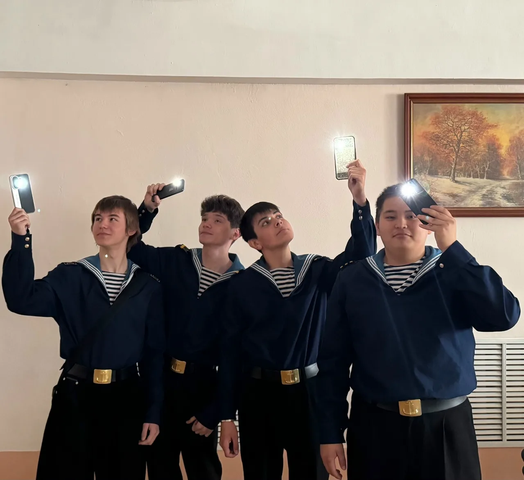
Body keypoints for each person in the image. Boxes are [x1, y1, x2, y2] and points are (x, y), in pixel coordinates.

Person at [317, 183, 521, 480]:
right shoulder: (352, 279)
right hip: (374, 427)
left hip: (446, 426)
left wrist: (453, 248)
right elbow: (332, 361)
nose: (401, 223)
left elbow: (504, 316)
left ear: (428, 223)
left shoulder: (453, 269)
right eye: (390, 216)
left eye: (411, 216)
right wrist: (329, 432)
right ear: (377, 226)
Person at [218, 160, 377, 480]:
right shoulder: (240, 285)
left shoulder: (318, 270)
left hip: (310, 393)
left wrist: (359, 201)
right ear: (255, 243)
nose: (277, 221)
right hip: (258, 395)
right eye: (266, 222)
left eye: (278, 215)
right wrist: (226, 417)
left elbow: (362, 255)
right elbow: (230, 354)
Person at [2, 196, 165, 480]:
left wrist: (153, 412)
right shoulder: (70, 275)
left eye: (112, 218)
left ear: (131, 229)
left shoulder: (147, 286)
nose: (102, 224)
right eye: (97, 218)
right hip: (75, 396)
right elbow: (21, 299)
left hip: (126, 398)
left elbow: (154, 355)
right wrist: (21, 240)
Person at [128, 186, 245, 480]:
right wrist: (146, 211)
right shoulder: (176, 260)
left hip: (205, 388)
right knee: (159, 466)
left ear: (236, 233)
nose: (206, 224)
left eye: (217, 220)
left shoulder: (243, 284)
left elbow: (240, 357)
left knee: (203, 469)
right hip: (162, 381)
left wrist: (217, 411)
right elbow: (132, 247)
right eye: (204, 218)